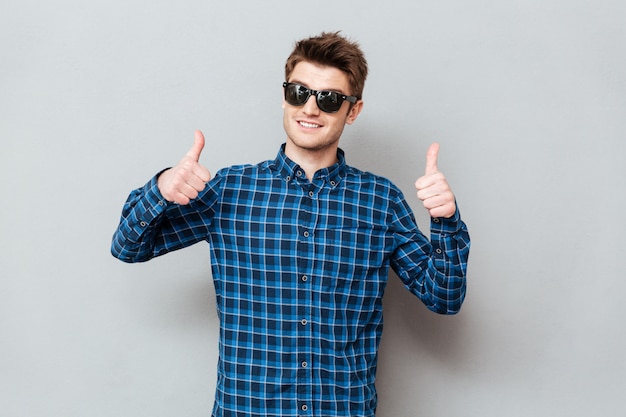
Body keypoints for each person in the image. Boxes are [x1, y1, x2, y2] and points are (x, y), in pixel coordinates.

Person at [111, 31, 470, 417]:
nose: (310, 109)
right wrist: (162, 187)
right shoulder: (230, 190)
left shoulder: (381, 202)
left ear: (353, 110)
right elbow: (128, 246)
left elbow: (443, 297)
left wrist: (445, 220)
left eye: (329, 99)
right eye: (299, 92)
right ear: (284, 96)